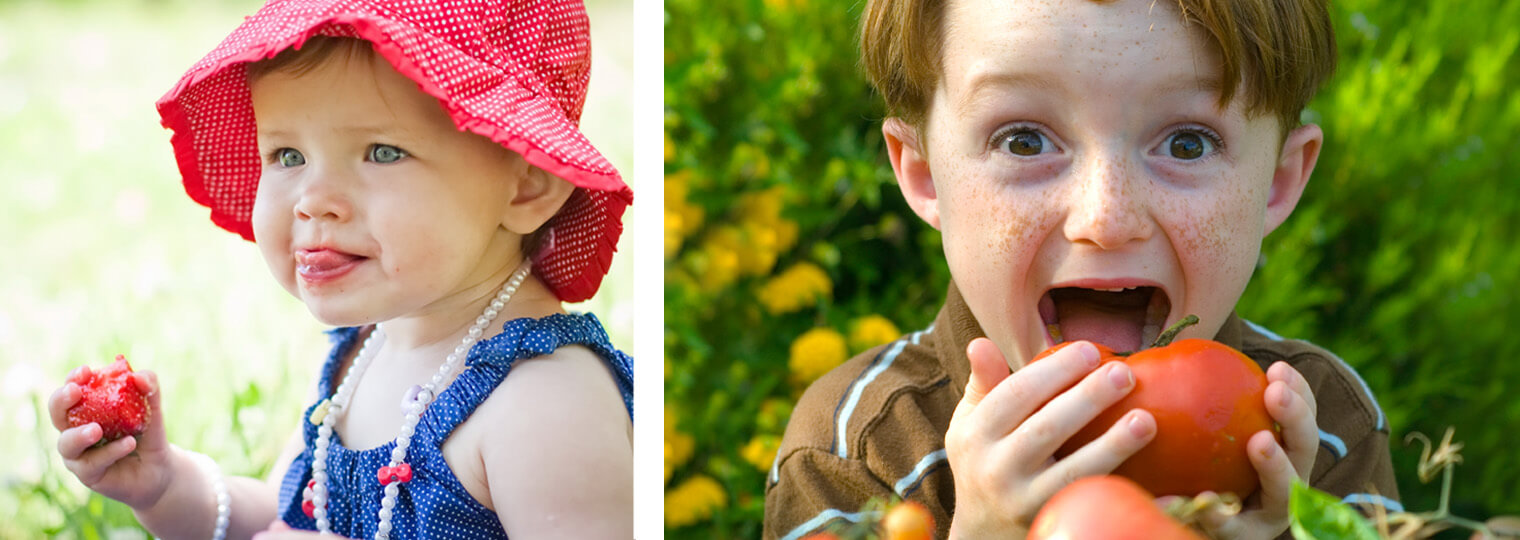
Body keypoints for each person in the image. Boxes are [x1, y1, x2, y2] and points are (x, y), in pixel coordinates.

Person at [764, 0, 1399, 538]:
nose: (1106, 218)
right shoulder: (856, 450)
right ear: (925, 175)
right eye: (1023, 140)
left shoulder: (1326, 434)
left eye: (1186, 143)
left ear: (1277, 183)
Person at [48, 0, 634, 538]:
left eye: (381, 152)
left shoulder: (545, 403)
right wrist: (168, 487)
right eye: (287, 156)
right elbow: (287, 519)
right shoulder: (363, 354)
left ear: (528, 181)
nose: (312, 199)